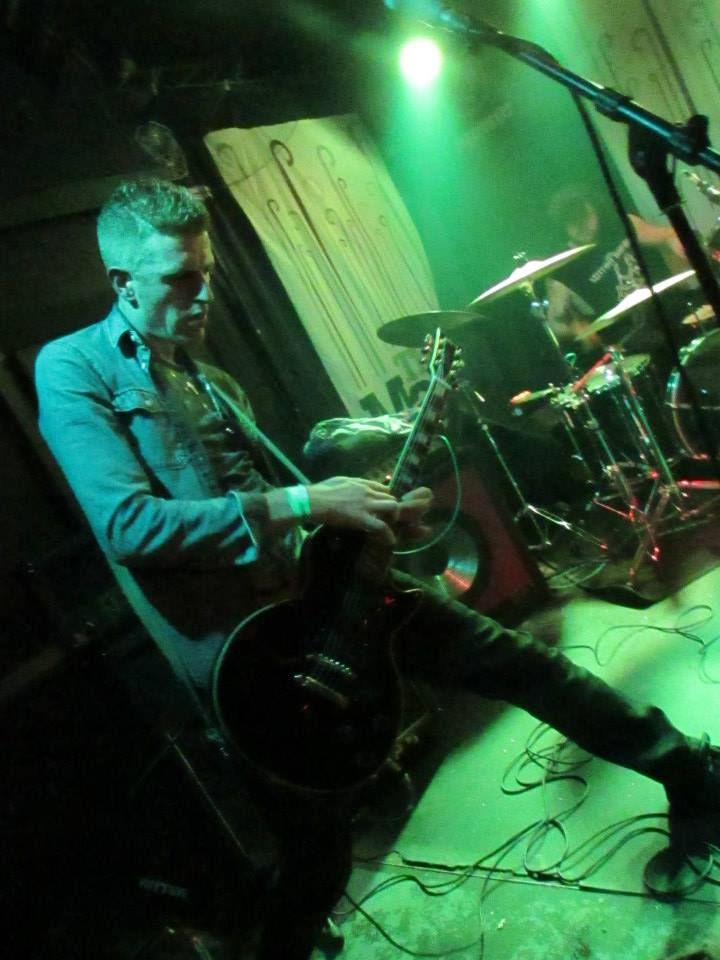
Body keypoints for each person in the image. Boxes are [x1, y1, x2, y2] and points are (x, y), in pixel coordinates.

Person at [35, 178, 719, 959]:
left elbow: (273, 508)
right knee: (319, 855)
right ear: (122, 282)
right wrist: (307, 501)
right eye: (181, 279)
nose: (204, 295)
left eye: (209, 273)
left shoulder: (211, 382)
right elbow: (128, 526)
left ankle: (689, 770)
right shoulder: (74, 370)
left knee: (524, 664)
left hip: (320, 596)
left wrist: (363, 520)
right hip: (252, 656)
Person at [544, 184, 691, 364]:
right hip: (630, 333)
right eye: (577, 225)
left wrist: (675, 243)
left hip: (666, 306)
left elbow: (668, 234)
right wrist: (577, 329)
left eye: (587, 217)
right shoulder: (566, 266)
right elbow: (555, 323)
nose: (587, 227)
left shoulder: (621, 223)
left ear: (591, 207)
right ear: (565, 228)